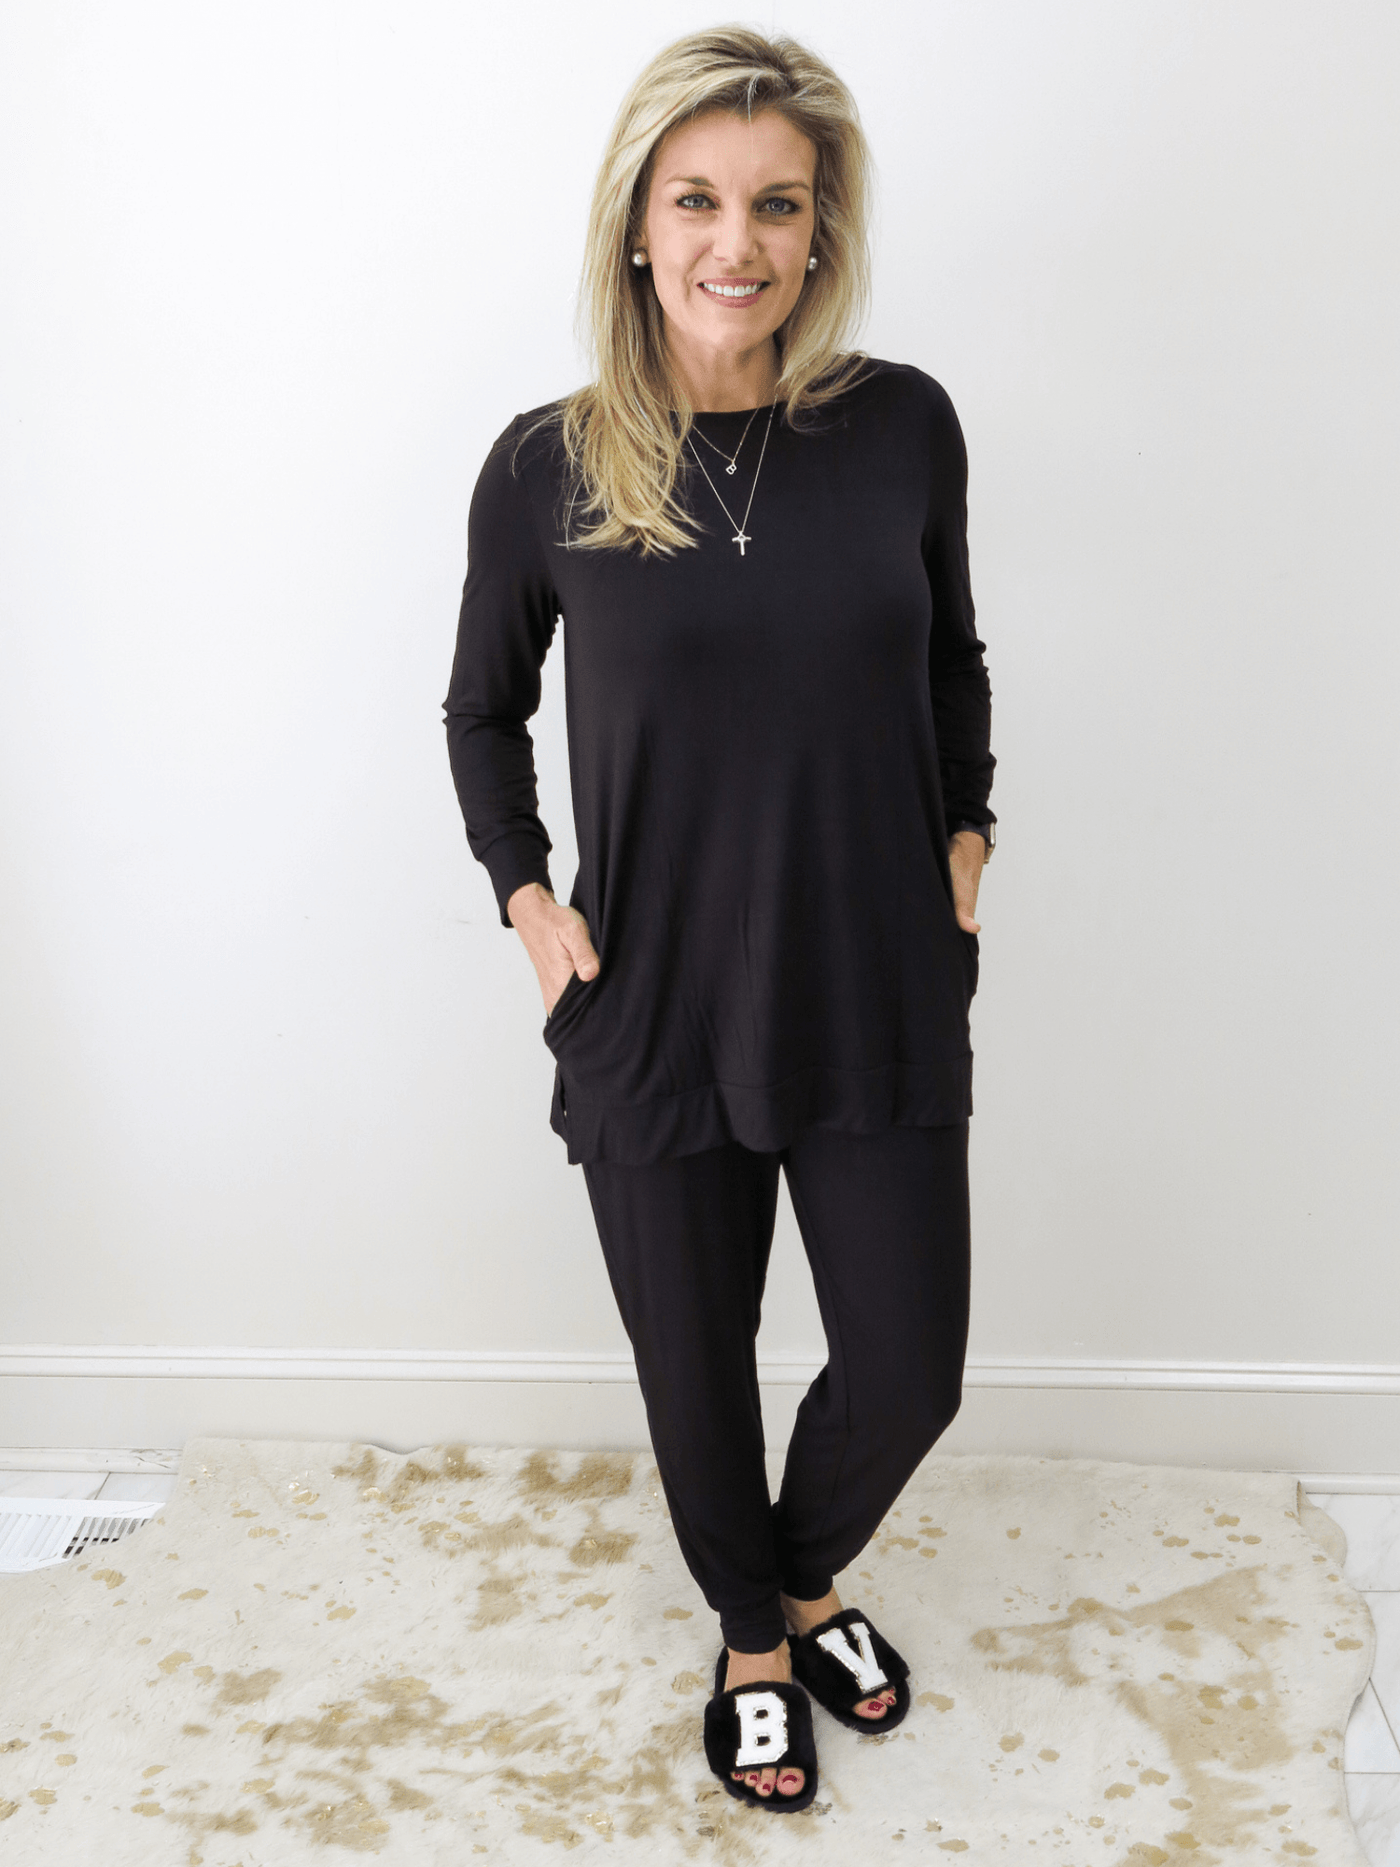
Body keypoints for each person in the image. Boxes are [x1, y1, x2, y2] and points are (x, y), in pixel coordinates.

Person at [443, 25, 995, 1815]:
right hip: (656, 992)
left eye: (776, 203)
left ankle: (804, 1567)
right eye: (696, 200)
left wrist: (969, 832)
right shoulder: (546, 466)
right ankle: (757, 1634)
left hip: (876, 975)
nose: (735, 244)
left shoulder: (903, 426)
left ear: (822, 229)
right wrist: (529, 896)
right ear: (637, 222)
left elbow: (954, 654)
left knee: (908, 1363)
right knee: (695, 1372)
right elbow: (480, 708)